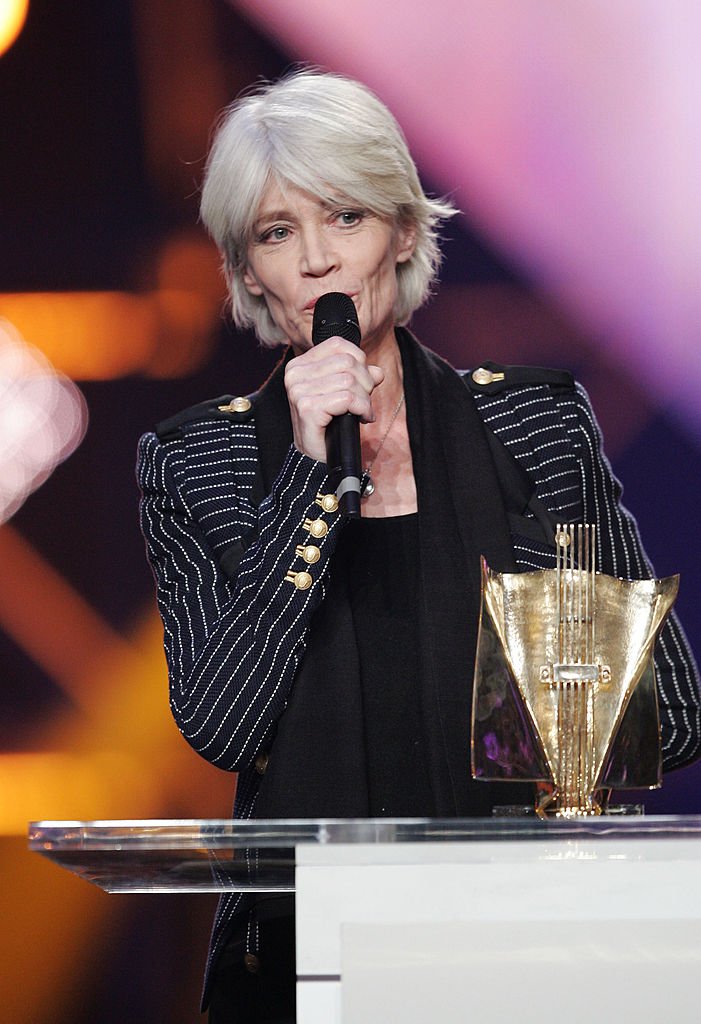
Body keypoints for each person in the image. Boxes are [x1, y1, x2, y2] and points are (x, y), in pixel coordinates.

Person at [137, 69, 701, 1022]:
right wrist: (311, 485)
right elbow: (222, 728)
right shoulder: (201, 464)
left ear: (401, 233)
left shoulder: (533, 429)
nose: (316, 260)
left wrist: (563, 699)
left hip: (534, 957)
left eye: (345, 218)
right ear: (248, 275)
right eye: (277, 233)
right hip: (310, 957)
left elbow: (675, 717)